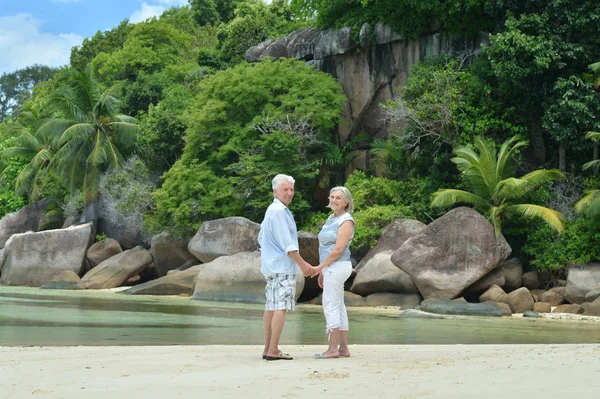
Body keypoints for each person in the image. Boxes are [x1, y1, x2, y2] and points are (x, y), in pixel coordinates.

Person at [258, 174, 312, 361]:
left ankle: (268, 349)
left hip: (271, 266)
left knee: (271, 307)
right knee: (279, 307)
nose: (289, 193)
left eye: (291, 189)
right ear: (275, 191)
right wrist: (303, 264)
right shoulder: (279, 211)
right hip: (281, 267)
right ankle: (273, 350)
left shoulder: (271, 210)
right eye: (285, 189)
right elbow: (288, 244)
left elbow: (261, 238)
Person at [310, 186, 355, 359]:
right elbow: (325, 248)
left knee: (330, 305)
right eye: (332, 197)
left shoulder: (346, 221)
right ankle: (343, 349)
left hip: (338, 265)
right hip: (331, 267)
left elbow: (338, 250)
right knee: (339, 305)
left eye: (338, 198)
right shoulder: (331, 218)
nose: (334, 200)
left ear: (346, 202)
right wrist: (323, 271)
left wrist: (319, 268)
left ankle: (332, 349)